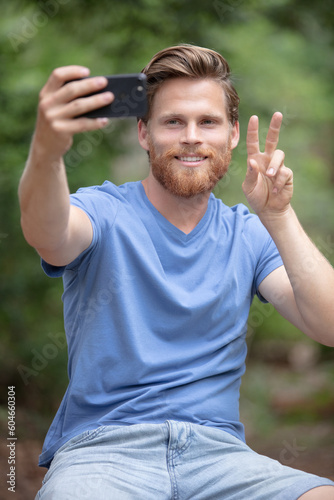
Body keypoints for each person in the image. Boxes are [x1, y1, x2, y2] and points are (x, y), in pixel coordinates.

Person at [19, 44, 334, 499]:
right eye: (173, 121)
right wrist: (47, 152)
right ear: (145, 133)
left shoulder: (248, 234)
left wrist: (279, 217)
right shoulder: (104, 212)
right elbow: (46, 232)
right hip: (102, 455)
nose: (191, 136)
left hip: (220, 457)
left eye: (207, 122)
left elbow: (327, 325)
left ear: (229, 136)